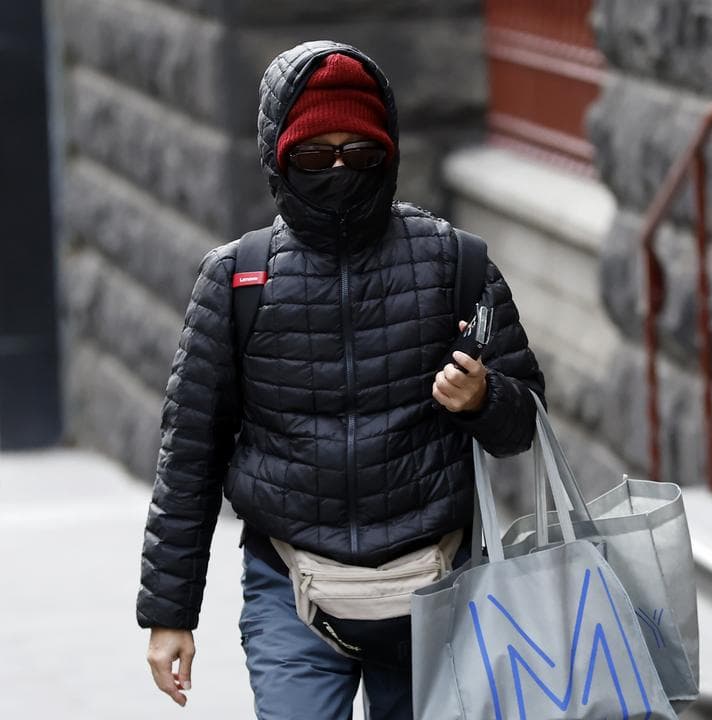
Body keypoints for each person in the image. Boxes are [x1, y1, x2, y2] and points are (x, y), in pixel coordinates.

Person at [136, 41, 544, 719]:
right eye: (313, 154)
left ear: (388, 153)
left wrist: (482, 400)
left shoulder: (455, 263)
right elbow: (189, 458)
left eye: (359, 154)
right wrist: (169, 615)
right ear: (277, 158)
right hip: (291, 588)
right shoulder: (237, 279)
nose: (337, 169)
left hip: (437, 589)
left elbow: (524, 419)